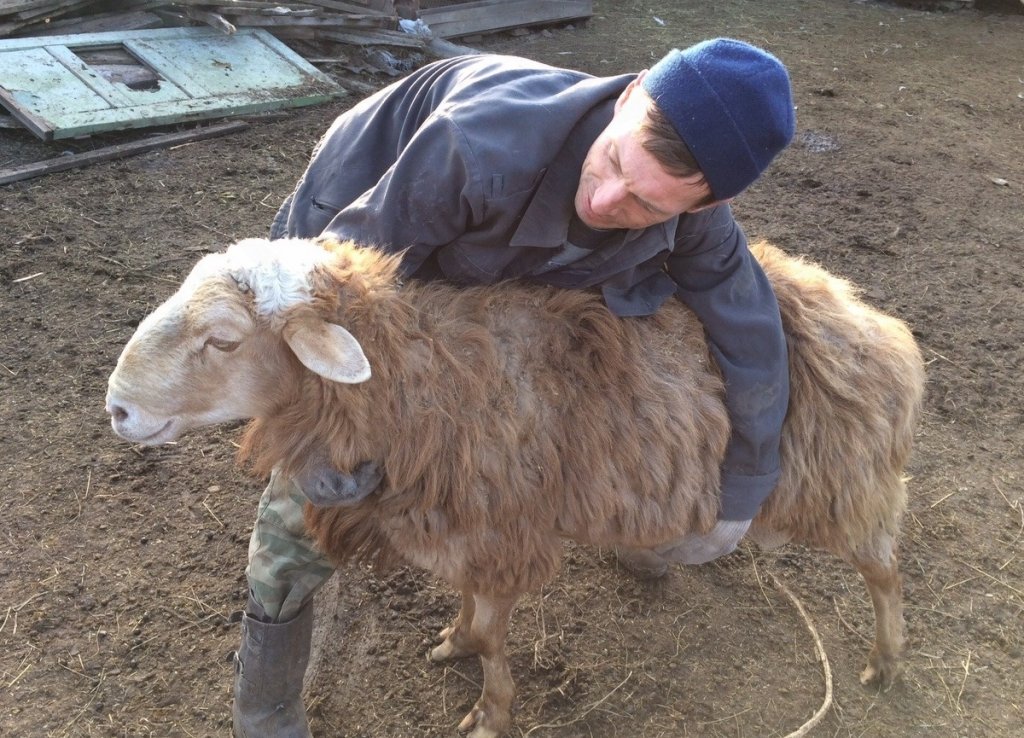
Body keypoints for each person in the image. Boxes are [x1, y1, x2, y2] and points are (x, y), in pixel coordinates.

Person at [233, 38, 795, 737]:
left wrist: (741, 494)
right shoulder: (474, 147)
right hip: (353, 251)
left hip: (495, 295)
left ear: (711, 201)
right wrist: (324, 449)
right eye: (616, 162)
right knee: (314, 501)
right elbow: (330, 300)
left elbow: (751, 330)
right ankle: (267, 693)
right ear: (629, 94)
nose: (606, 198)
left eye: (647, 204)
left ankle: (632, 539)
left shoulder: (697, 216)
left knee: (489, 453)